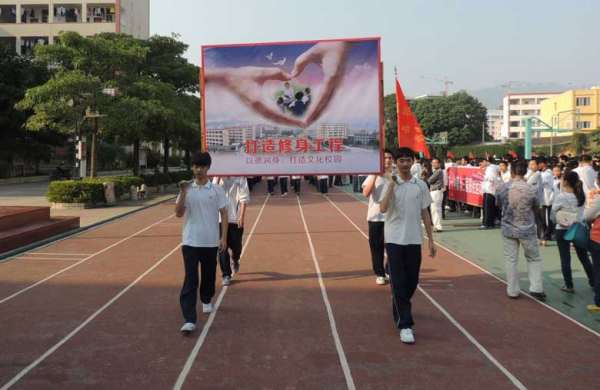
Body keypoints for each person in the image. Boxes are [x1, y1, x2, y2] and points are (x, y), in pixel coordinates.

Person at [379, 147, 436, 344]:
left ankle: (398, 299)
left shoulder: (420, 185)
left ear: (412, 162)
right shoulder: (390, 182)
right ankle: (405, 325)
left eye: (407, 160)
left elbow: (425, 214)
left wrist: (431, 241)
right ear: (396, 162)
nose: (404, 164)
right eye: (400, 160)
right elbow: (383, 208)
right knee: (399, 281)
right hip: (394, 240)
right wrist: (391, 187)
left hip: (414, 240)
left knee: (411, 281)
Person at [175, 152, 228, 334]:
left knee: (208, 275)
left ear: (208, 168)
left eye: (202, 166)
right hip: (190, 241)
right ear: (192, 167)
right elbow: (178, 213)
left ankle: (206, 299)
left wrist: (223, 238)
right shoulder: (186, 189)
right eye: (196, 166)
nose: (199, 170)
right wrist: (182, 193)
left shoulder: (216, 190)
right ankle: (189, 319)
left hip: (210, 241)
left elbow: (224, 213)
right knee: (191, 279)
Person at [495, 160, 546, 301]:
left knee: (511, 259)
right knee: (533, 258)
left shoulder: (502, 188)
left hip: (508, 228)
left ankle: (512, 290)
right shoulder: (531, 189)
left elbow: (498, 204)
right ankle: (536, 288)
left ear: (511, 171)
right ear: (525, 172)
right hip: (527, 228)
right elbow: (537, 207)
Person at [551, 170, 594, 293]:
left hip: (563, 229)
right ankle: (593, 281)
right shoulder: (581, 195)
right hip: (577, 228)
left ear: (565, 182)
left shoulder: (561, 196)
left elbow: (553, 214)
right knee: (584, 257)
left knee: (565, 258)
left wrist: (556, 221)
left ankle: (569, 285)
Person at [362, 150, 394, 285]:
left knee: (393, 246)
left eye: (390, 158)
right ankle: (380, 273)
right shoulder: (372, 175)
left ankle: (388, 270)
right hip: (376, 217)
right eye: (384, 158)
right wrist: (375, 175)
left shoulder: (396, 175)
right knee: (376, 247)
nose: (387, 160)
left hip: (393, 217)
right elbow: (366, 193)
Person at [213, 176, 250, 286]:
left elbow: (244, 198)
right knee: (222, 247)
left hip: (235, 218)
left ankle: (235, 258)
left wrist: (241, 217)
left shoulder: (241, 177)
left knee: (236, 246)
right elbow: (212, 194)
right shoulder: (217, 178)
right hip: (220, 219)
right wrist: (218, 178)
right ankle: (226, 274)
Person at [583, 170, 600, 313]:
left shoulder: (599, 199)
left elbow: (587, 216)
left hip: (598, 238)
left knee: (598, 270)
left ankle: (599, 302)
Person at [538, 157, 554, 245]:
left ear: (543, 164)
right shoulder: (543, 173)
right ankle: (545, 235)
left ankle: (546, 236)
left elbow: (539, 181)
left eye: (539, 164)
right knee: (543, 219)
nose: (538, 166)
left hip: (548, 199)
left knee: (547, 219)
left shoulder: (547, 173)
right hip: (543, 199)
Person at [481, 158, 499, 229]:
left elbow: (491, 178)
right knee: (489, 208)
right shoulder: (492, 167)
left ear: (485, 161)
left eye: (481, 163)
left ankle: (487, 223)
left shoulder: (491, 168)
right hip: (488, 190)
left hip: (490, 191)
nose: (481, 165)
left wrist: (485, 176)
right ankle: (490, 223)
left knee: (487, 208)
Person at [428, 157, 444, 232]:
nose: (433, 164)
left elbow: (430, 180)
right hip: (436, 191)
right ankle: (437, 225)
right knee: (436, 209)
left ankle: (437, 226)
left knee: (435, 209)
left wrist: (426, 176)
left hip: (436, 191)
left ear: (439, 164)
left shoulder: (438, 171)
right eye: (432, 162)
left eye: (435, 163)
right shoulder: (437, 171)